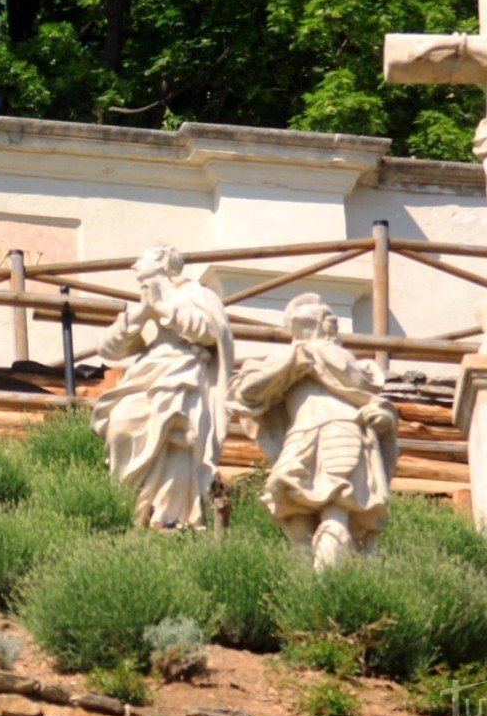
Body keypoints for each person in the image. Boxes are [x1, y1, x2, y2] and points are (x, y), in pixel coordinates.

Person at [229, 294, 400, 567]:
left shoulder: (348, 360)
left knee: (336, 507)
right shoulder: (286, 358)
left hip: (343, 431)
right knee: (285, 500)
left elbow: (369, 395)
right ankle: (312, 579)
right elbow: (248, 392)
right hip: (300, 435)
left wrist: (382, 417)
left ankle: (330, 582)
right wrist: (293, 362)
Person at [89, 243, 234, 528]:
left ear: (159, 260)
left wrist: (164, 310)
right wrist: (141, 315)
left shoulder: (196, 294)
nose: (134, 265)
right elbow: (108, 350)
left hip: (184, 375)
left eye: (140, 259)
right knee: (121, 425)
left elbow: (210, 332)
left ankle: (169, 515)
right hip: (148, 374)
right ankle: (127, 501)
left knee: (174, 440)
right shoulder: (144, 303)